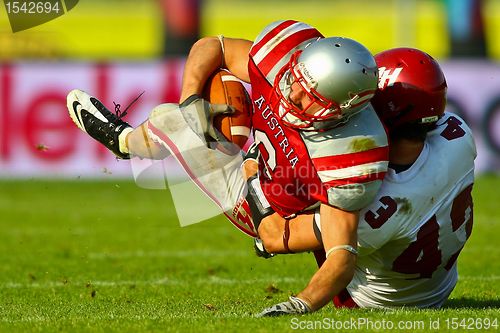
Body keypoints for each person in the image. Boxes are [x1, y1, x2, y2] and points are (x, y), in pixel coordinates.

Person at [66, 20, 389, 314]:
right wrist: (191, 100)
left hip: (271, 211)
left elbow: (341, 254)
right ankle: (125, 142)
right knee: (175, 116)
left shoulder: (350, 154)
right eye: (294, 80)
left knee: (281, 233)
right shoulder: (281, 58)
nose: (290, 94)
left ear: (341, 111)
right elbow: (214, 46)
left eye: (307, 98)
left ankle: (125, 141)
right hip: (262, 161)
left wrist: (300, 304)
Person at [256, 47, 476, 315]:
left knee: (305, 178)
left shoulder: (374, 206)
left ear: (386, 111)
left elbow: (275, 234)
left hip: (374, 300)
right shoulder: (458, 132)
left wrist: (248, 169)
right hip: (438, 284)